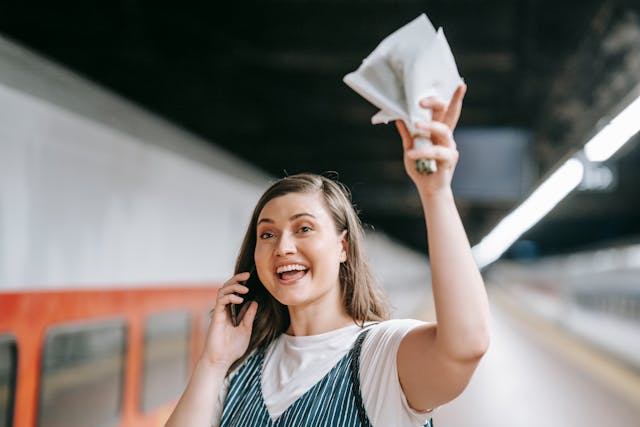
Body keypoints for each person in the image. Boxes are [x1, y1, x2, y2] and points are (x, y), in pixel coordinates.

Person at [164, 83, 490, 427]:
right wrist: (213, 362)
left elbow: (465, 346)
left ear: (343, 247)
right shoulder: (240, 370)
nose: (283, 247)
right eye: (268, 234)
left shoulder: (380, 357)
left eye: (303, 228)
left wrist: (435, 192)